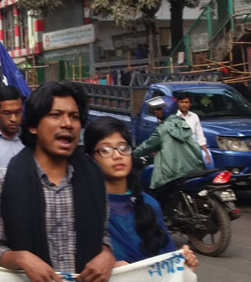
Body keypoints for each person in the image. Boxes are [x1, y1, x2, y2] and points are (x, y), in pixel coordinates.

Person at [0, 81, 115, 282]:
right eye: (56, 115)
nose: (67, 124)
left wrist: (107, 254)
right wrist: (21, 258)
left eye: (74, 117)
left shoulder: (94, 177)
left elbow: (102, 234)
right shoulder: (1, 182)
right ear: (33, 126)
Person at [84, 117, 199, 268]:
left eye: (123, 148)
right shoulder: (85, 208)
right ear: (91, 158)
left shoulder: (149, 204)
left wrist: (184, 264)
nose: (117, 155)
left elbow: (166, 265)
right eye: (105, 150)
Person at [133, 99, 204, 204]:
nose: (155, 111)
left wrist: (133, 154)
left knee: (152, 198)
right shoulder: (182, 124)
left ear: (166, 110)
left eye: (158, 109)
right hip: (191, 168)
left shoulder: (162, 129)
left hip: (172, 172)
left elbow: (147, 146)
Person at [175, 91, 212, 166]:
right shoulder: (173, 117)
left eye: (186, 102)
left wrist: (206, 152)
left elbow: (200, 136)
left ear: (190, 104)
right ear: (178, 103)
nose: (184, 104)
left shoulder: (194, 116)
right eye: (181, 102)